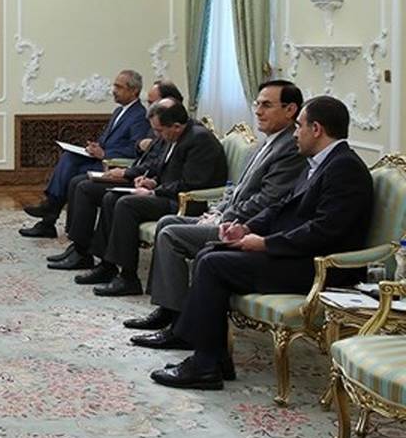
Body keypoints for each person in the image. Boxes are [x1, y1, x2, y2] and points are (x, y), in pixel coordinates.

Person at [153, 96, 374, 390]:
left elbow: (324, 231)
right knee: (210, 252)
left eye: (299, 126)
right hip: (296, 255)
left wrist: (265, 243)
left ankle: (204, 365)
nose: (295, 134)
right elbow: (281, 207)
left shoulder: (345, 168)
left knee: (214, 264)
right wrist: (246, 227)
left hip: (321, 268)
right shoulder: (320, 162)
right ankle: (215, 358)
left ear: (316, 129)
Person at [127, 80, 306, 346]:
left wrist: (226, 217)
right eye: (257, 104)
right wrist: (217, 210)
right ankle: (167, 309)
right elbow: (236, 190)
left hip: (246, 227)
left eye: (267, 105)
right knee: (167, 222)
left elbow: (268, 199)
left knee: (171, 235)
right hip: (229, 216)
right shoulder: (267, 142)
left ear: (290, 110)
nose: (258, 111)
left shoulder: (291, 147)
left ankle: (179, 324)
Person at [73, 99, 228, 296]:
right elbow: (164, 169)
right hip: (169, 194)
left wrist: (155, 191)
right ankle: (107, 265)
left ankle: (128, 278)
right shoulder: (174, 135)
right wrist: (150, 182)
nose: (156, 136)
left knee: (127, 204)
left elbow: (192, 183)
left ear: (176, 126)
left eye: (159, 130)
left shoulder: (199, 139)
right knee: (111, 198)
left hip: (188, 202)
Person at [46, 81, 183, 267]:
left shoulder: (172, 130)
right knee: (79, 181)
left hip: (146, 184)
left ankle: (94, 257)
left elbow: (167, 169)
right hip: (139, 176)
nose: (149, 107)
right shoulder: (160, 126)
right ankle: (79, 246)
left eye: (153, 102)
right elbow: (147, 155)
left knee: (87, 188)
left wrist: (138, 178)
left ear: (169, 103)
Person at [18, 69, 150, 238]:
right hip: (101, 159)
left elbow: (136, 148)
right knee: (69, 157)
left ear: (134, 91)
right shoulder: (119, 111)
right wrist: (95, 147)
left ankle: (49, 213)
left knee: (72, 175)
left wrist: (105, 153)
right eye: (114, 86)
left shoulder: (139, 116)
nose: (114, 90)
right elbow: (107, 139)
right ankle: (49, 212)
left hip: (114, 166)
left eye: (119, 87)